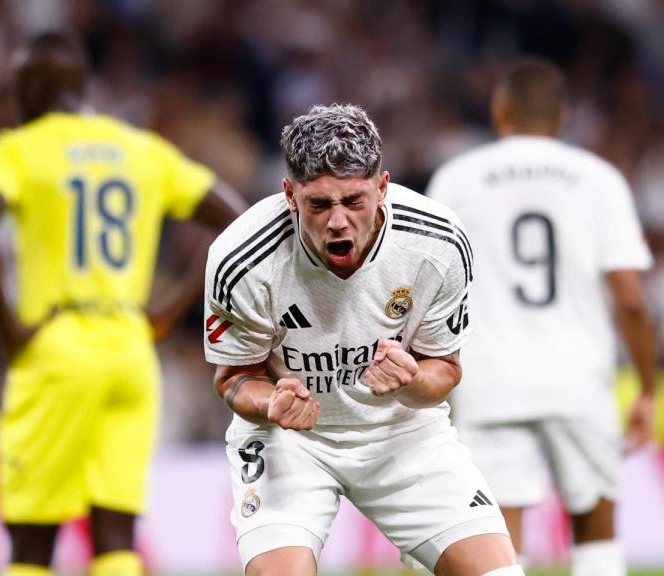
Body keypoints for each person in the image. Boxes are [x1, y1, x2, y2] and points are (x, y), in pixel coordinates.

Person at [0, 32, 245, 576]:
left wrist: (11, 331)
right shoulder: (141, 148)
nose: (13, 98)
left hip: (56, 350)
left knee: (31, 537)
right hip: (131, 351)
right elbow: (235, 220)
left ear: (38, 85)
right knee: (114, 532)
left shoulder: (18, 147)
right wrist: (171, 308)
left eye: (18, 84)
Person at [204, 103, 523, 576]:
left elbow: (446, 368)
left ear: (383, 187)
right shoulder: (242, 258)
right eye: (319, 204)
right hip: (289, 441)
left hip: (402, 432)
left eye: (354, 201)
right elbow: (232, 378)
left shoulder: (437, 242)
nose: (337, 222)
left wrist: (412, 381)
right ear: (289, 194)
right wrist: (270, 401)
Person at [426, 57, 658, 576]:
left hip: (489, 380)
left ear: (500, 108)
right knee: (596, 536)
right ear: (564, 115)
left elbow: (430, 289)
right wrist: (646, 387)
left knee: (498, 544)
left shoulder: (456, 179)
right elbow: (630, 300)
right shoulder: (599, 179)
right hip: (580, 379)